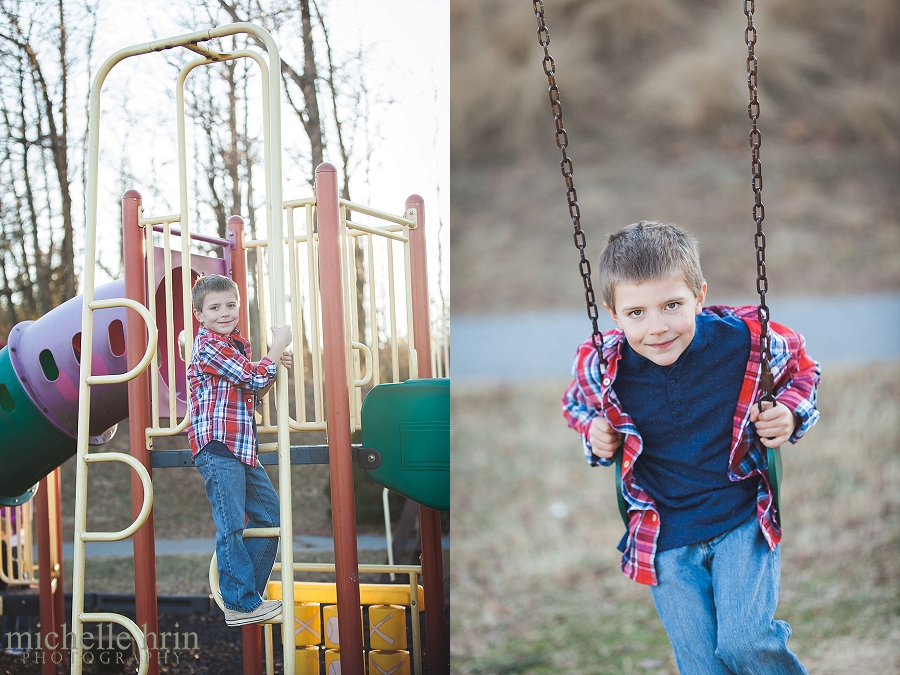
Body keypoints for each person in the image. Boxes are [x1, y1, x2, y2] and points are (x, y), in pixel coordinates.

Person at [562, 221, 820, 674]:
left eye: (672, 305)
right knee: (701, 665)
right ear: (613, 314)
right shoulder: (602, 363)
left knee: (744, 643)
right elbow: (576, 406)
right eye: (636, 312)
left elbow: (802, 368)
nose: (657, 327)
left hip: (741, 518)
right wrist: (595, 433)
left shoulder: (744, 340)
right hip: (665, 536)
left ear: (699, 296)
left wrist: (790, 412)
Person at [188, 274, 293, 627]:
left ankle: (248, 598)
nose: (225, 312)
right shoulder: (208, 346)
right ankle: (240, 603)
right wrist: (277, 347)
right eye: (214, 307)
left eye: (230, 305)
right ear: (199, 315)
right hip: (218, 446)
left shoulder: (236, 346)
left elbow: (256, 389)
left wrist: (273, 366)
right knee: (232, 524)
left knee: (271, 518)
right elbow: (253, 378)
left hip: (242, 448)